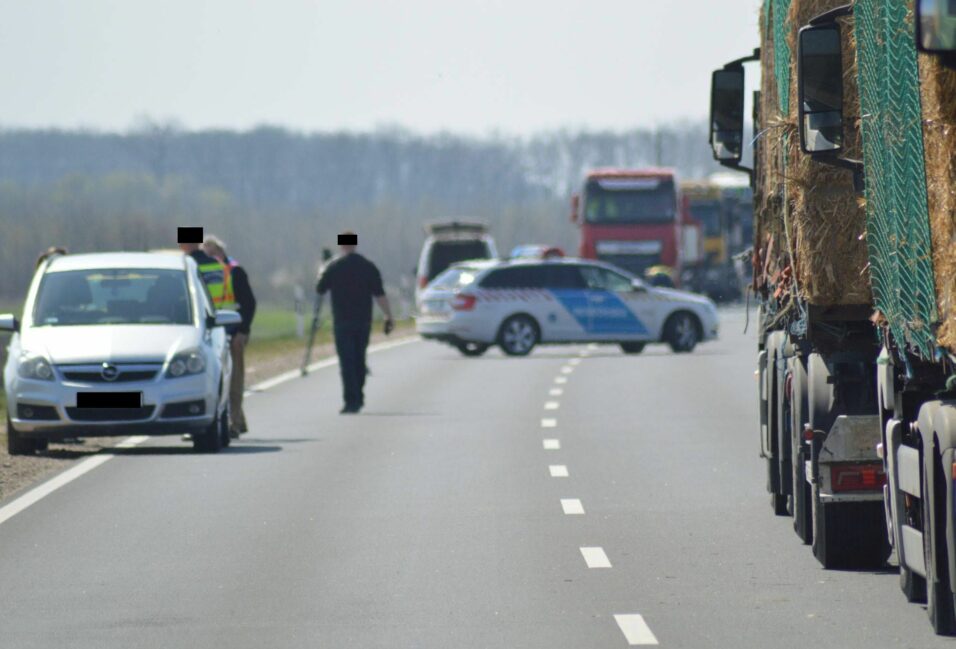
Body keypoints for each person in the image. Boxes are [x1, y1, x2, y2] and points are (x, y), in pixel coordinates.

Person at [316, 232, 394, 414]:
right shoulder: (368, 266)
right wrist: (388, 316)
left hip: (342, 320)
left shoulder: (333, 266)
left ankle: (351, 400)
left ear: (341, 245)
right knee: (359, 358)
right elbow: (379, 294)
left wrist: (322, 266)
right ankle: (358, 395)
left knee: (346, 361)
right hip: (363, 320)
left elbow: (320, 288)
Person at [202, 235, 257, 437]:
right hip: (212, 333)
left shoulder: (235, 272)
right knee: (218, 380)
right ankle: (237, 420)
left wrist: (243, 332)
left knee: (234, 379)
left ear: (220, 253)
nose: (208, 259)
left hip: (233, 334)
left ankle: (234, 422)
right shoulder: (202, 274)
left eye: (211, 254)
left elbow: (249, 304)